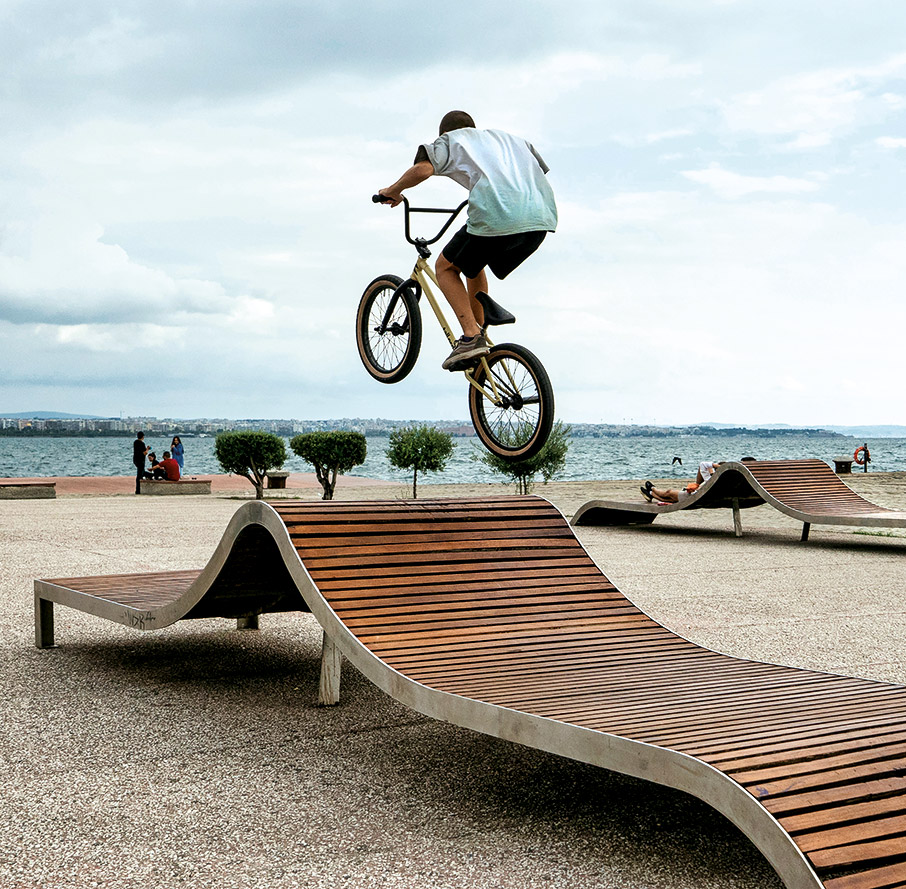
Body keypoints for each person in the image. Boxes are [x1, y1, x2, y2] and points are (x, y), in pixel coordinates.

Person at [378, 110, 558, 370]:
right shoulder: (512, 140)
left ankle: (470, 337)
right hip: (540, 219)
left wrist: (393, 191)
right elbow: (534, 171)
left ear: (445, 133)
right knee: (474, 262)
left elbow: (423, 169)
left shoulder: (450, 140)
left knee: (445, 267)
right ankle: (479, 330)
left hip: (499, 213)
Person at [641, 461, 722, 503]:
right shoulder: (720, 483)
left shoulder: (711, 480)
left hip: (692, 497)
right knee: (670, 500)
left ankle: (652, 488)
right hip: (702, 498)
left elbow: (703, 464)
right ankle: (650, 493)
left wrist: (715, 468)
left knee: (668, 493)